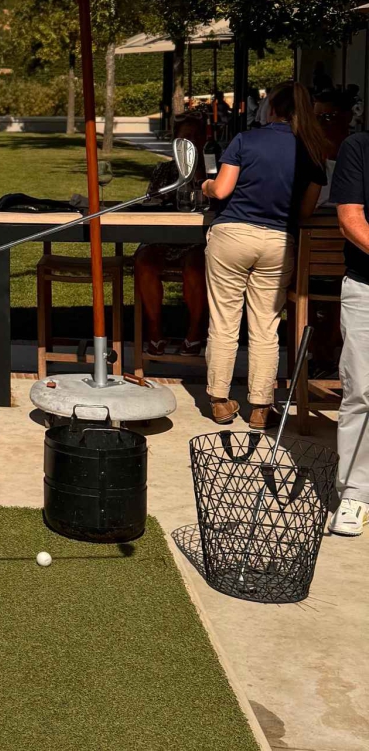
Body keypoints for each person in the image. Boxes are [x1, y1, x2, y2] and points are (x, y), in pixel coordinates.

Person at [200, 82, 329, 429]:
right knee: (265, 327)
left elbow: (222, 189)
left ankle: (220, 401)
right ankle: (260, 406)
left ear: (272, 108)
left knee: (224, 321)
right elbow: (305, 211)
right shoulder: (313, 150)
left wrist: (205, 185)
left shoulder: (246, 140)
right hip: (278, 242)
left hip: (232, 235)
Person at [133, 114, 209, 357]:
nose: (191, 142)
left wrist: (198, 175)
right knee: (144, 263)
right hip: (162, 236)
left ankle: (195, 331)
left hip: (196, 240)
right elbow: (151, 202)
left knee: (196, 268)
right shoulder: (164, 170)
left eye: (196, 137)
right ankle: (155, 330)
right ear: (176, 142)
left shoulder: (212, 170)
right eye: (186, 138)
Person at [329, 124, 369, 537]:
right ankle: (357, 493)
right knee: (361, 391)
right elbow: (350, 219)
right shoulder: (359, 146)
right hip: (366, 285)